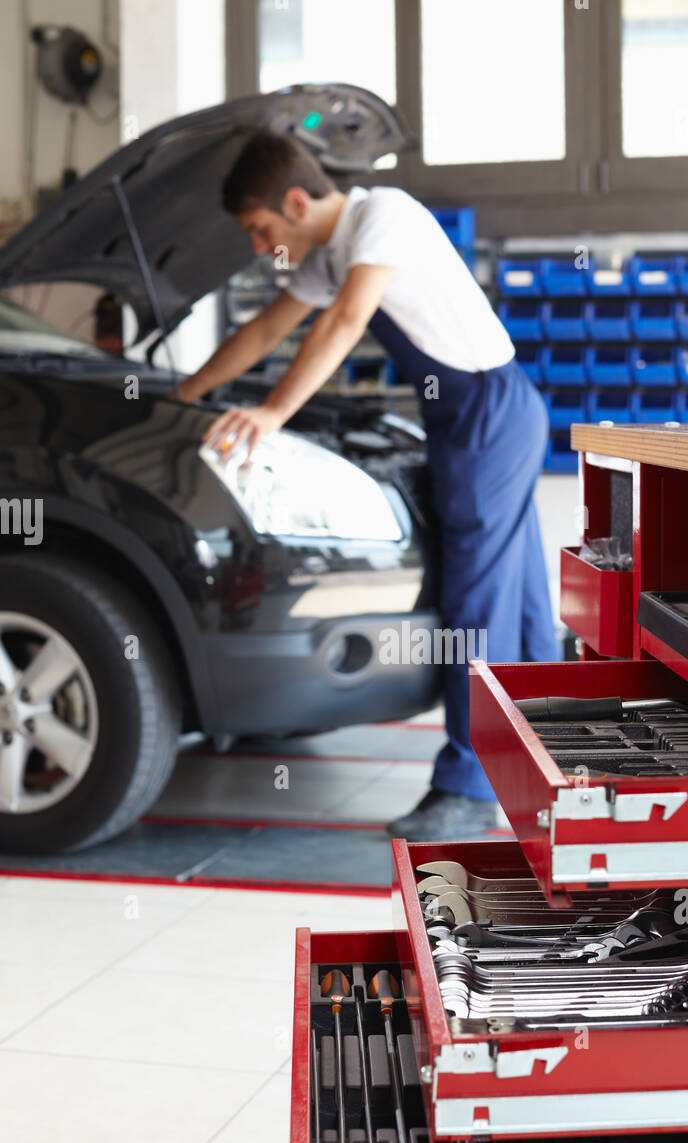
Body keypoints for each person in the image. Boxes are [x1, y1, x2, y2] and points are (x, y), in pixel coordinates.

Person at [179, 130, 559, 838]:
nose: (261, 248)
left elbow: (346, 322)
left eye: (261, 230)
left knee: (476, 600)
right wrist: (186, 394)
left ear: (297, 200)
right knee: (520, 595)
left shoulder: (382, 213)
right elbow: (266, 329)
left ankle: (470, 787)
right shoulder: (329, 254)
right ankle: (549, 755)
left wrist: (270, 413)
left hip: (487, 410)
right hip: (467, 417)